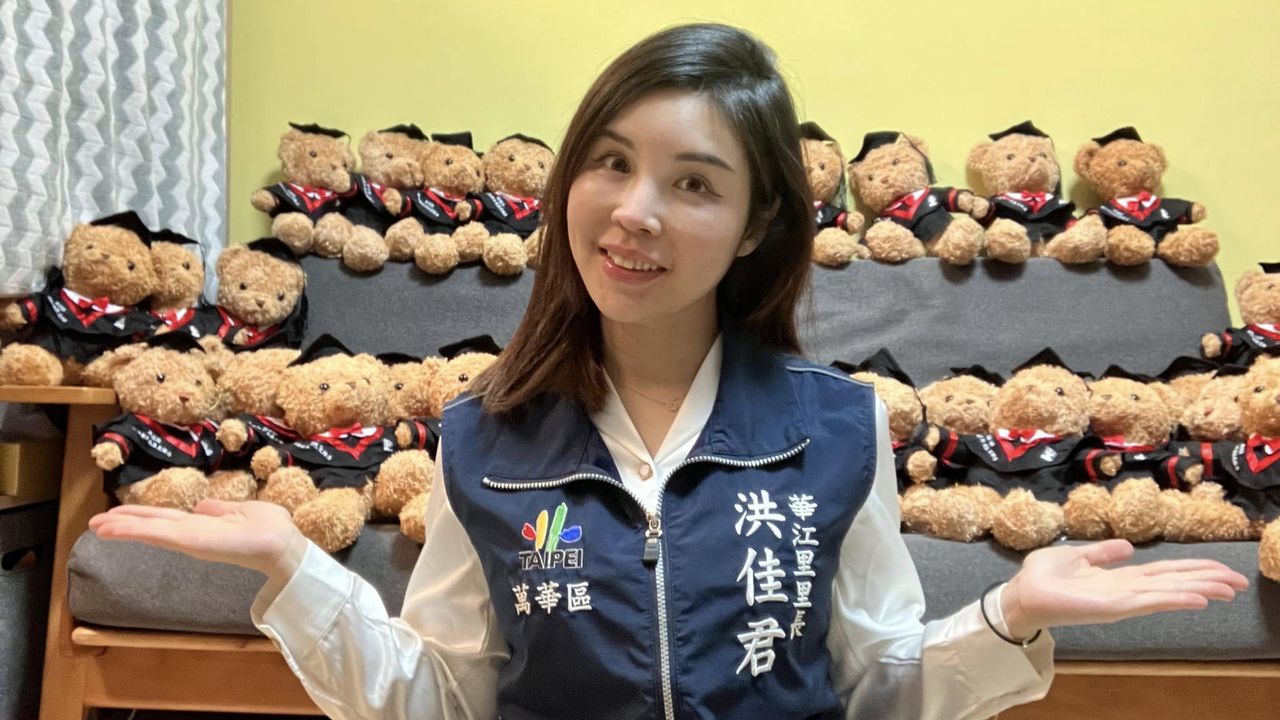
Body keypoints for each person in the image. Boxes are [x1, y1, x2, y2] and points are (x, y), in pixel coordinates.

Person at [89, 23, 1248, 720]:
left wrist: (1005, 618)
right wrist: (295, 573)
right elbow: (443, 698)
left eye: (692, 182)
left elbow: (875, 687)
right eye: (609, 162)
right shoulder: (483, 439)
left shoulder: (836, 428)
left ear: (754, 225)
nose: (633, 211)